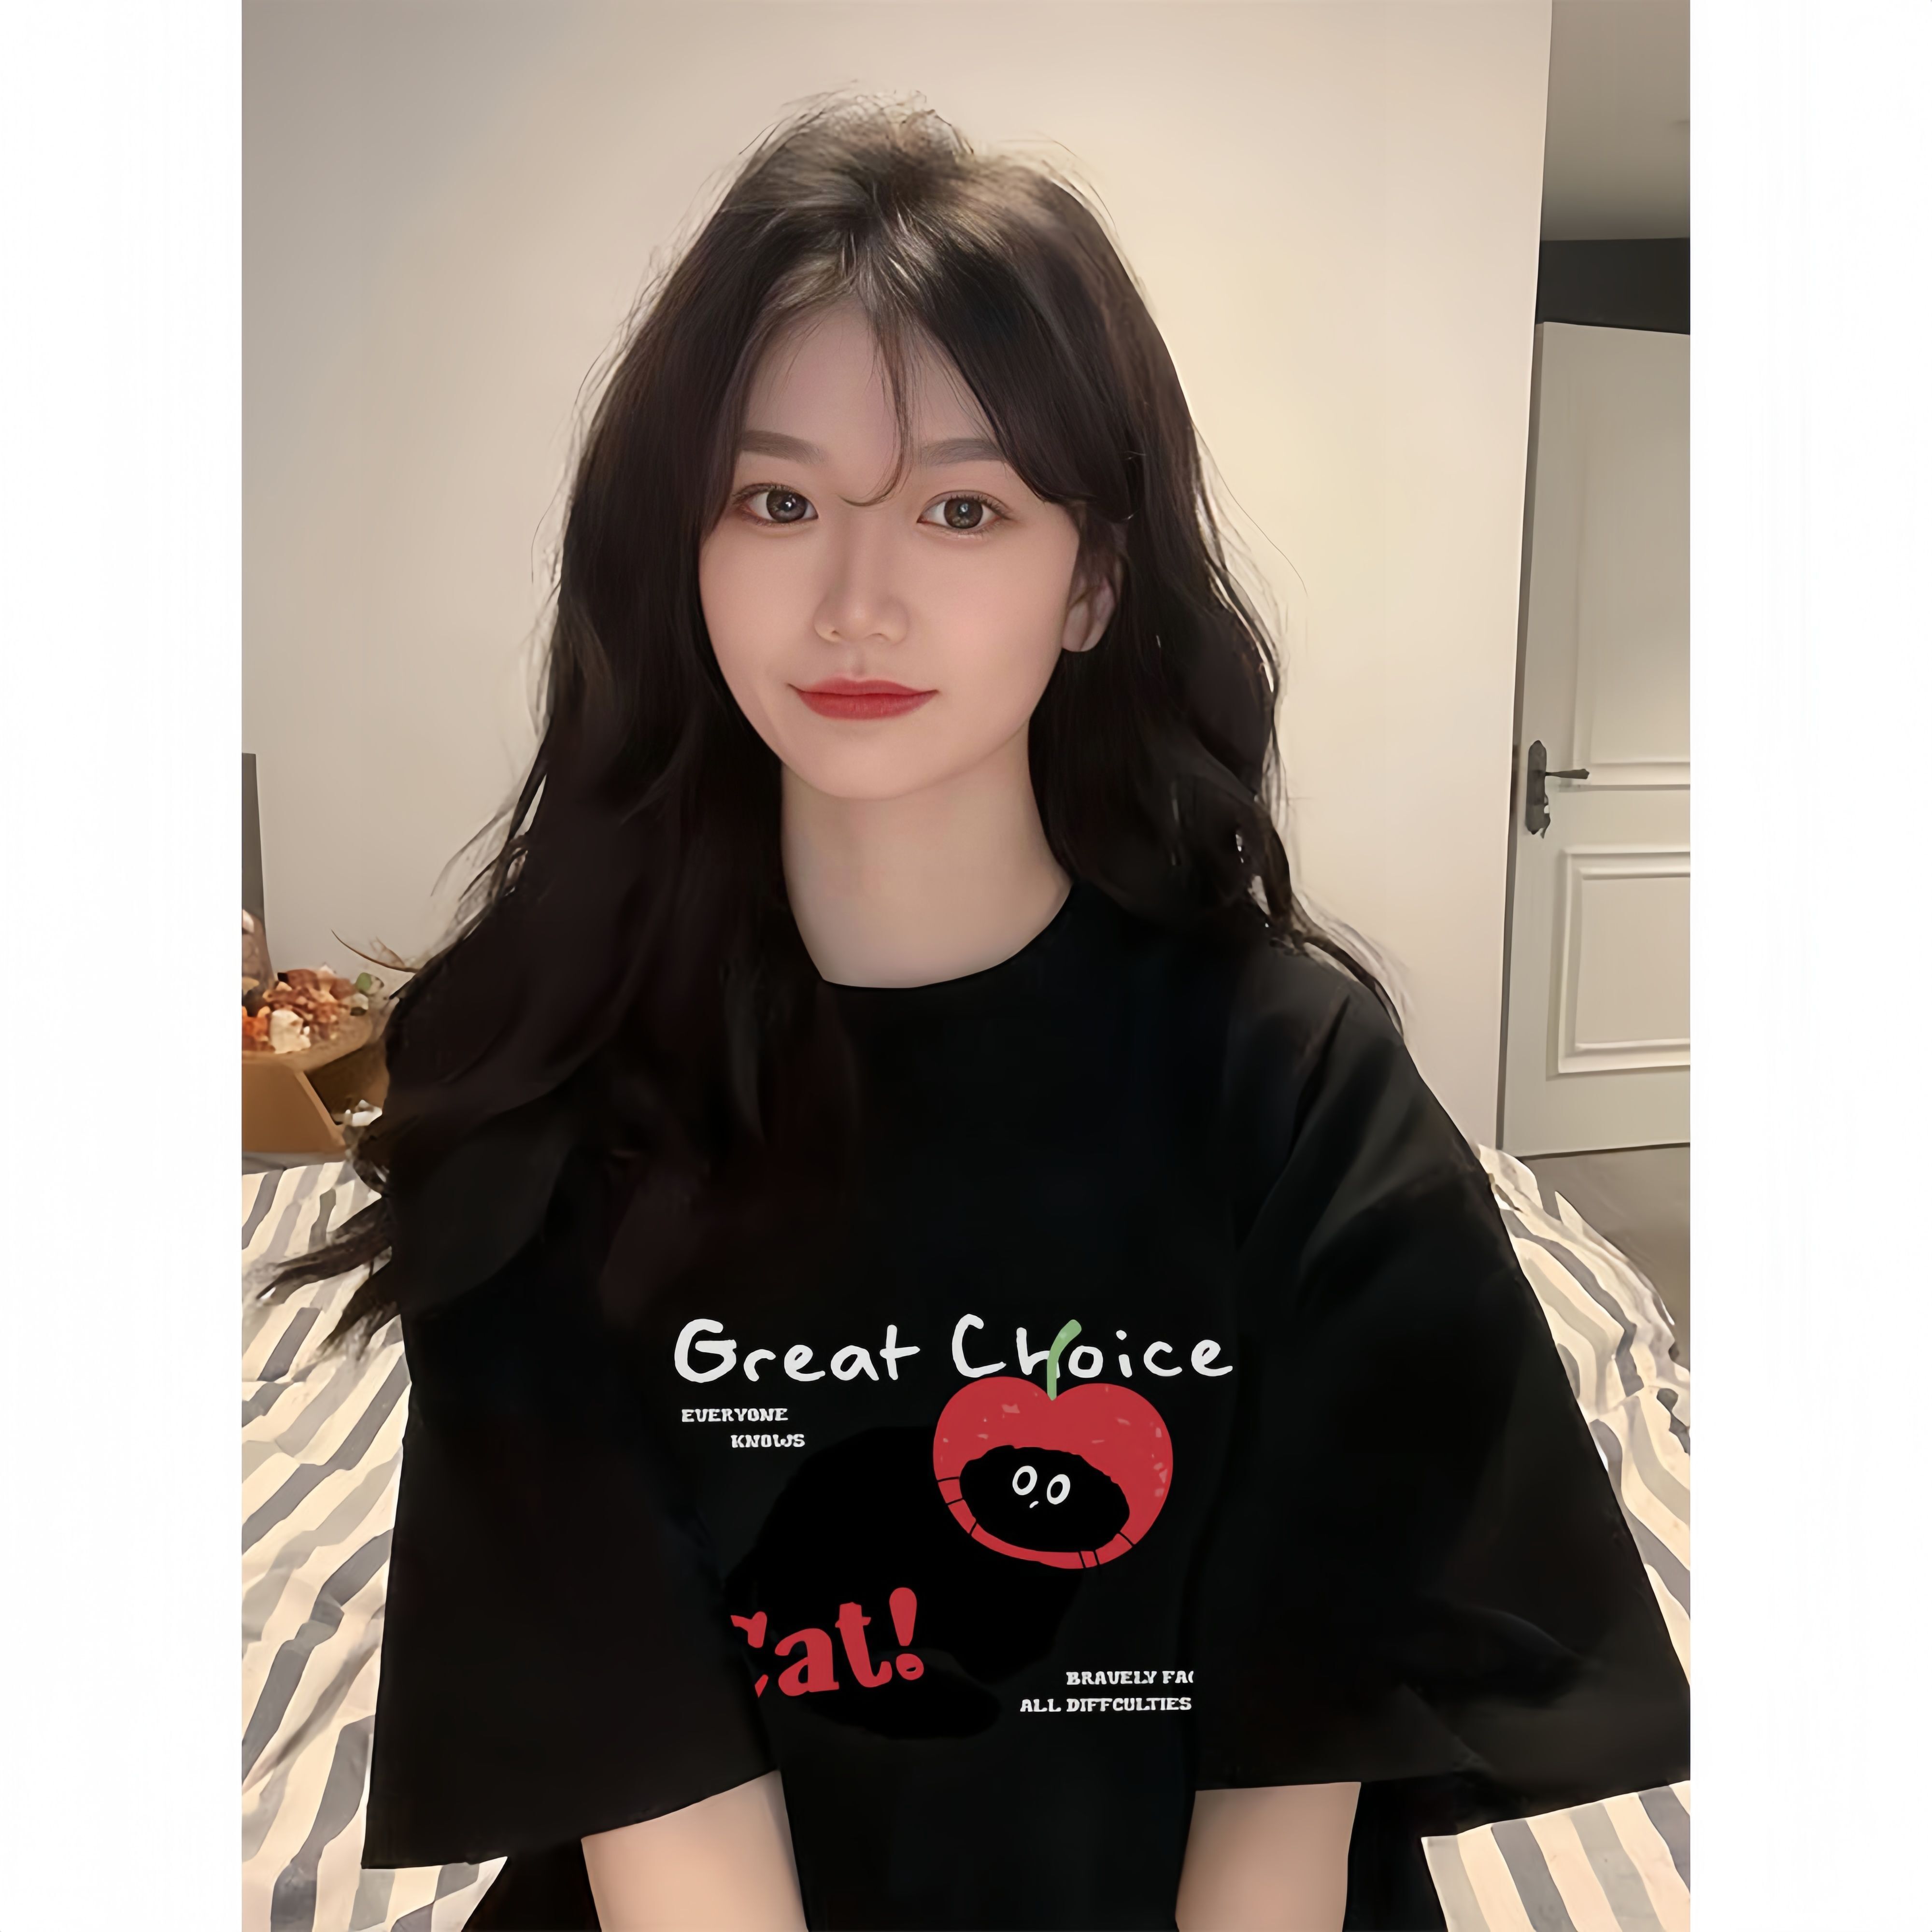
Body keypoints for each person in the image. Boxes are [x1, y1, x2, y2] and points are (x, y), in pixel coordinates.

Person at [274, 98, 1689, 1931]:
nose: (856, 603)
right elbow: (658, 1809)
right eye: (777, 501)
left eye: (963, 508)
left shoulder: (1293, 1086)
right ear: (683, 552)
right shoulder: (547, 1091)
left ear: (1091, 579)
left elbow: (1291, 1775)